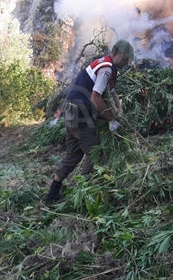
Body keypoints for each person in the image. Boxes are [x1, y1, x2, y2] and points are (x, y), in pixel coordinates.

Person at [43, 39, 134, 205]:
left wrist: (119, 112)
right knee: (95, 154)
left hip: (70, 110)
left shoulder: (103, 64)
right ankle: (84, 193)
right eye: (126, 59)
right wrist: (111, 121)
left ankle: (53, 192)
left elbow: (112, 92)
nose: (127, 63)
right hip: (80, 113)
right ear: (119, 54)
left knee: (73, 154)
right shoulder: (106, 68)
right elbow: (96, 97)